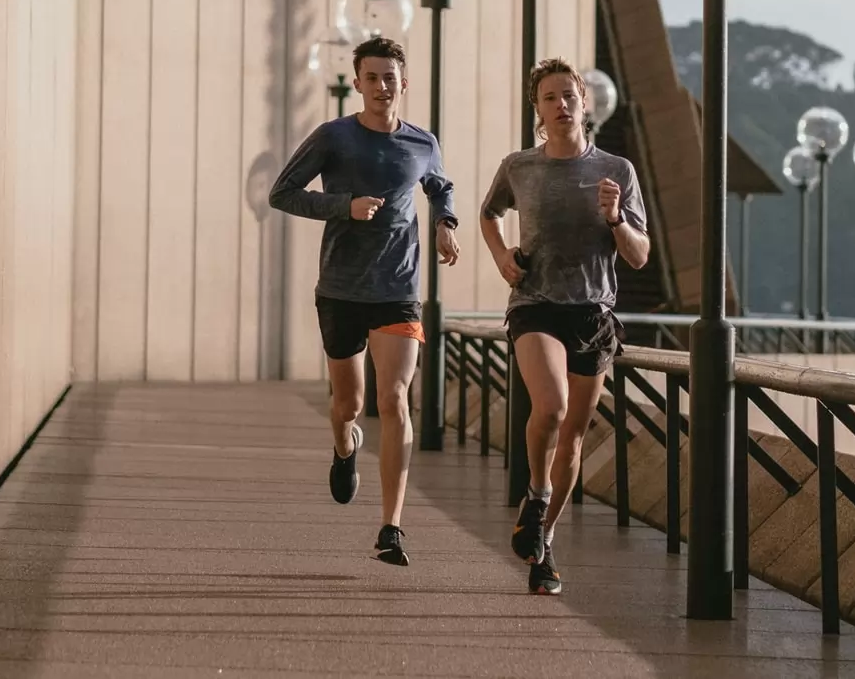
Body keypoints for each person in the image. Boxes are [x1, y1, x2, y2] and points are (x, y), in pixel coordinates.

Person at [268, 35, 459, 567]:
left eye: (390, 78)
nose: (381, 87)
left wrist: (445, 223)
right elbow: (281, 192)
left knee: (395, 399)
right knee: (348, 404)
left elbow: (440, 186)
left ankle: (392, 527)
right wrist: (343, 207)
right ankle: (344, 444)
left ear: (404, 83)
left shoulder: (422, 142)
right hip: (341, 289)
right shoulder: (334, 137)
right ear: (357, 83)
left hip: (399, 290)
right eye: (371, 78)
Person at [481, 57, 650, 595]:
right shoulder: (520, 167)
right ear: (537, 108)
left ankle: (544, 544)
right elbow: (489, 214)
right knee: (549, 407)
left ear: (584, 103)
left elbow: (640, 256)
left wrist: (617, 219)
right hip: (535, 304)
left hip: (593, 314)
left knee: (573, 438)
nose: (560, 106)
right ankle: (535, 492)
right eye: (549, 98)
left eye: (568, 97)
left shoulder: (617, 171)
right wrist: (502, 257)